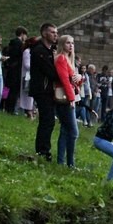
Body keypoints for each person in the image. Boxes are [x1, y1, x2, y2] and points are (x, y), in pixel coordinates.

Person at [29, 24, 60, 160]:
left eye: (56, 32)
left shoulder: (49, 51)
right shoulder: (39, 51)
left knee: (48, 120)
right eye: (52, 32)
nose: (55, 35)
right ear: (44, 33)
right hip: (42, 89)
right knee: (47, 120)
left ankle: (43, 149)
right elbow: (51, 72)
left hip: (47, 90)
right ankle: (43, 150)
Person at [53, 35, 79, 168]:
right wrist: (72, 99)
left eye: (72, 43)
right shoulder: (61, 58)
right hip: (64, 98)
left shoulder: (69, 59)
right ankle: (69, 163)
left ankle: (62, 162)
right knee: (74, 132)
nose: (71, 45)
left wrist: (79, 78)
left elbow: (73, 81)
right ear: (62, 44)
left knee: (65, 130)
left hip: (68, 96)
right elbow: (64, 80)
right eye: (68, 43)